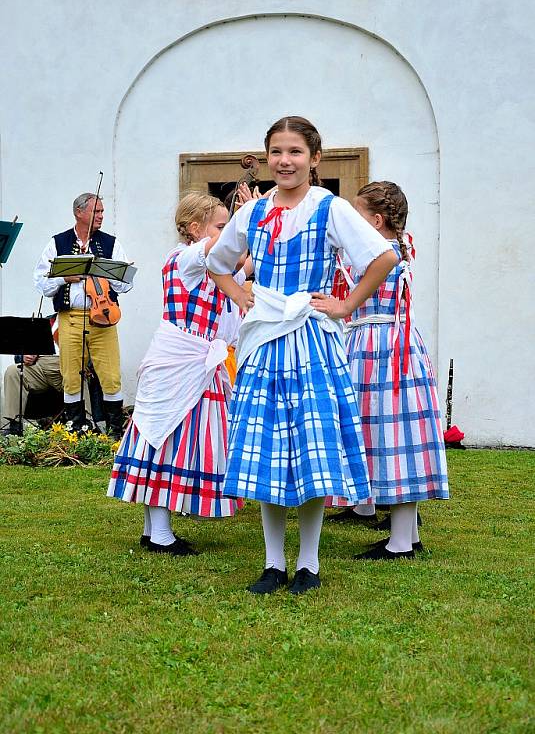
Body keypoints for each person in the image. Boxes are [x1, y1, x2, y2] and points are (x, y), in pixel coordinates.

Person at [206, 116, 398, 594]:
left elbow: (383, 256)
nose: (284, 161)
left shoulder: (329, 208)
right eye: (276, 152)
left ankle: (308, 563)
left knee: (313, 450)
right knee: (265, 449)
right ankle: (273, 563)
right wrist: (240, 293)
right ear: (267, 157)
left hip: (311, 340)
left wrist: (347, 304)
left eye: (294, 152)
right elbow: (216, 261)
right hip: (265, 340)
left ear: (314, 158)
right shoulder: (252, 213)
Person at [107, 192, 243, 557]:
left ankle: (156, 530)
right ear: (195, 228)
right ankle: (160, 533)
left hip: (195, 358)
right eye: (219, 224)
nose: (225, 231)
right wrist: (244, 220)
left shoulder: (210, 264)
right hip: (180, 358)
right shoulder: (183, 258)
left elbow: (241, 264)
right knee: (165, 440)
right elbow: (221, 249)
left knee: (175, 439)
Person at [336, 181, 448, 559]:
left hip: (382, 347)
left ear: (378, 220)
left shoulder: (378, 254)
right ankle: (405, 532)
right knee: (398, 436)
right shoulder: (401, 245)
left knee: (392, 436)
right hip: (392, 344)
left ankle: (401, 541)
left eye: (358, 215)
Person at [34, 193, 133, 436]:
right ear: (79, 212)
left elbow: (126, 284)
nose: (101, 216)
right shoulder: (58, 243)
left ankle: (113, 430)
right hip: (71, 317)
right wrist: (63, 277)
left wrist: (112, 273)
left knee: (110, 373)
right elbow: (41, 283)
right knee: (71, 373)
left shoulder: (110, 243)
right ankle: (75, 429)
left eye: (102, 211)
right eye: (96, 211)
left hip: (104, 315)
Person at [1, 354, 62, 433]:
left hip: (66, 365)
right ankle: (15, 427)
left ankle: (77, 425)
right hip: (40, 365)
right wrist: (23, 356)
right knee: (13, 371)